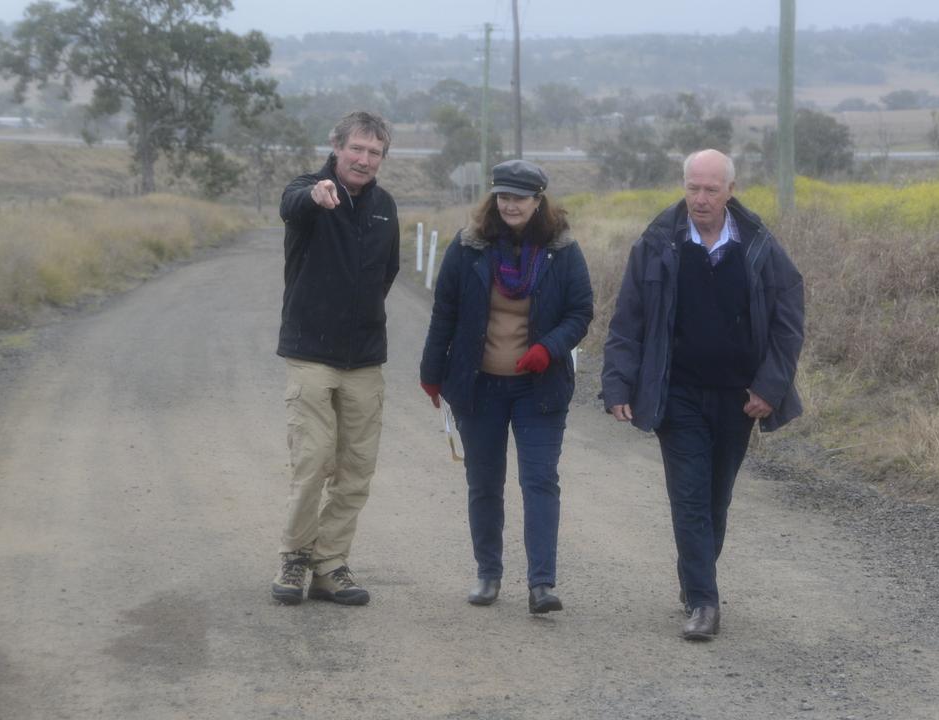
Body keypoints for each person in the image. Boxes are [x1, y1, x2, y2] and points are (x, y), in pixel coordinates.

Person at [600, 149, 805, 641]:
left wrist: (770, 387)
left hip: (740, 397)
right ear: (683, 186)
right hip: (678, 393)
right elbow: (629, 320)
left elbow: (787, 324)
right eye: (693, 188)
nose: (701, 198)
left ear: (730, 191)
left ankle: (694, 581)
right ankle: (705, 603)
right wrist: (617, 382)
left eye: (712, 189)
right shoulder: (656, 244)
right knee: (689, 497)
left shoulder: (760, 247)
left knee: (716, 499)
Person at [419, 159, 593, 613]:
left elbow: (580, 313)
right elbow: (445, 312)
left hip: (540, 388)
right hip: (479, 387)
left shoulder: (563, 250)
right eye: (503, 196)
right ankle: (488, 574)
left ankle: (541, 585)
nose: (510, 204)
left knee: (539, 481)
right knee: (484, 482)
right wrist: (431, 371)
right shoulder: (469, 247)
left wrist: (549, 348)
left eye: (519, 197)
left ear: (539, 202)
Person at [270, 111, 400, 607]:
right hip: (311, 354)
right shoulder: (310, 190)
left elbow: (387, 273)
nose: (365, 160)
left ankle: (330, 565)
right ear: (337, 146)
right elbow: (292, 203)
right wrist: (316, 196)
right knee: (313, 459)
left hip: (365, 359)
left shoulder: (386, 207)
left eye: (375, 152)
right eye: (357, 149)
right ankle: (295, 557)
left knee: (356, 469)